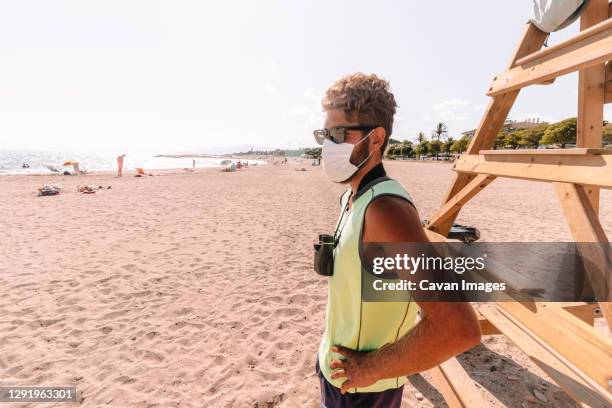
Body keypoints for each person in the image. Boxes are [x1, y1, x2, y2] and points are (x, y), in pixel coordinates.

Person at [314, 73, 481, 407]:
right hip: (338, 378)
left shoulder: (385, 208)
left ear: (375, 139)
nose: (327, 145)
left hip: (361, 391)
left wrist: (371, 368)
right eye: (324, 134)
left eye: (337, 134)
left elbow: (458, 327)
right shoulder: (354, 197)